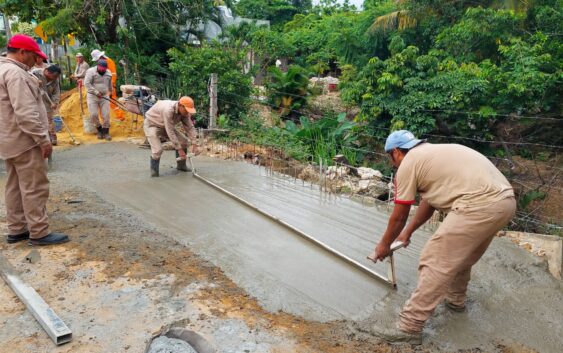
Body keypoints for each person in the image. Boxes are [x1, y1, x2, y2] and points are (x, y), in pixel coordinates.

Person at [371, 130, 516, 345]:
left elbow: (399, 215)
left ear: (396, 152)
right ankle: (455, 301)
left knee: (435, 259)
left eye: (390, 157)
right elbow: (428, 203)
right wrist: (407, 233)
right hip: (505, 203)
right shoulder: (432, 154)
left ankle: (409, 326)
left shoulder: (409, 163)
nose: (392, 163)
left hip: (479, 204)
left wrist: (383, 245)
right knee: (461, 256)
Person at [0, 34, 69, 245]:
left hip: (8, 139)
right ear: (22, 52)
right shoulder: (16, 74)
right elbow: (26, 113)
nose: (36, 61)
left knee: (14, 185)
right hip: (25, 140)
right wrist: (43, 139)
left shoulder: (3, 69)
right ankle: (39, 232)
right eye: (34, 56)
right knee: (34, 186)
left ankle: (17, 229)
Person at [143, 97, 201, 177]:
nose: (188, 113)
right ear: (180, 105)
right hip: (152, 124)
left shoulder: (185, 113)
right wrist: (179, 149)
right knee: (158, 150)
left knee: (183, 141)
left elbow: (190, 127)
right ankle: (154, 172)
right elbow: (170, 131)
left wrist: (195, 144)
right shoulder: (168, 110)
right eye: (186, 110)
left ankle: (181, 166)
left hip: (165, 125)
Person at [32, 65, 62, 145]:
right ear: (47, 72)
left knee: (49, 119)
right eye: (54, 76)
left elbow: (56, 92)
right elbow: (26, 77)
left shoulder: (55, 80)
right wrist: (34, 81)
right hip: (35, 99)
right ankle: (39, 137)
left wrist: (55, 102)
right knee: (36, 119)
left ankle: (52, 135)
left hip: (48, 101)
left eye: (57, 76)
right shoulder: (35, 73)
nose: (56, 78)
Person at [91, 49, 124, 120]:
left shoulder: (109, 62)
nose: (96, 61)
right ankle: (103, 119)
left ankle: (120, 116)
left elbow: (113, 75)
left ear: (100, 57)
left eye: (96, 59)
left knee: (112, 102)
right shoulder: (101, 62)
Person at [84, 59, 113, 141]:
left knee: (106, 114)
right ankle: (99, 130)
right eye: (102, 68)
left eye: (105, 68)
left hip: (104, 96)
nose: (103, 69)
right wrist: (96, 92)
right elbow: (87, 83)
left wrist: (110, 92)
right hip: (92, 96)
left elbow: (110, 84)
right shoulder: (90, 72)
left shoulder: (108, 73)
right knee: (93, 114)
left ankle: (106, 132)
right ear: (98, 66)